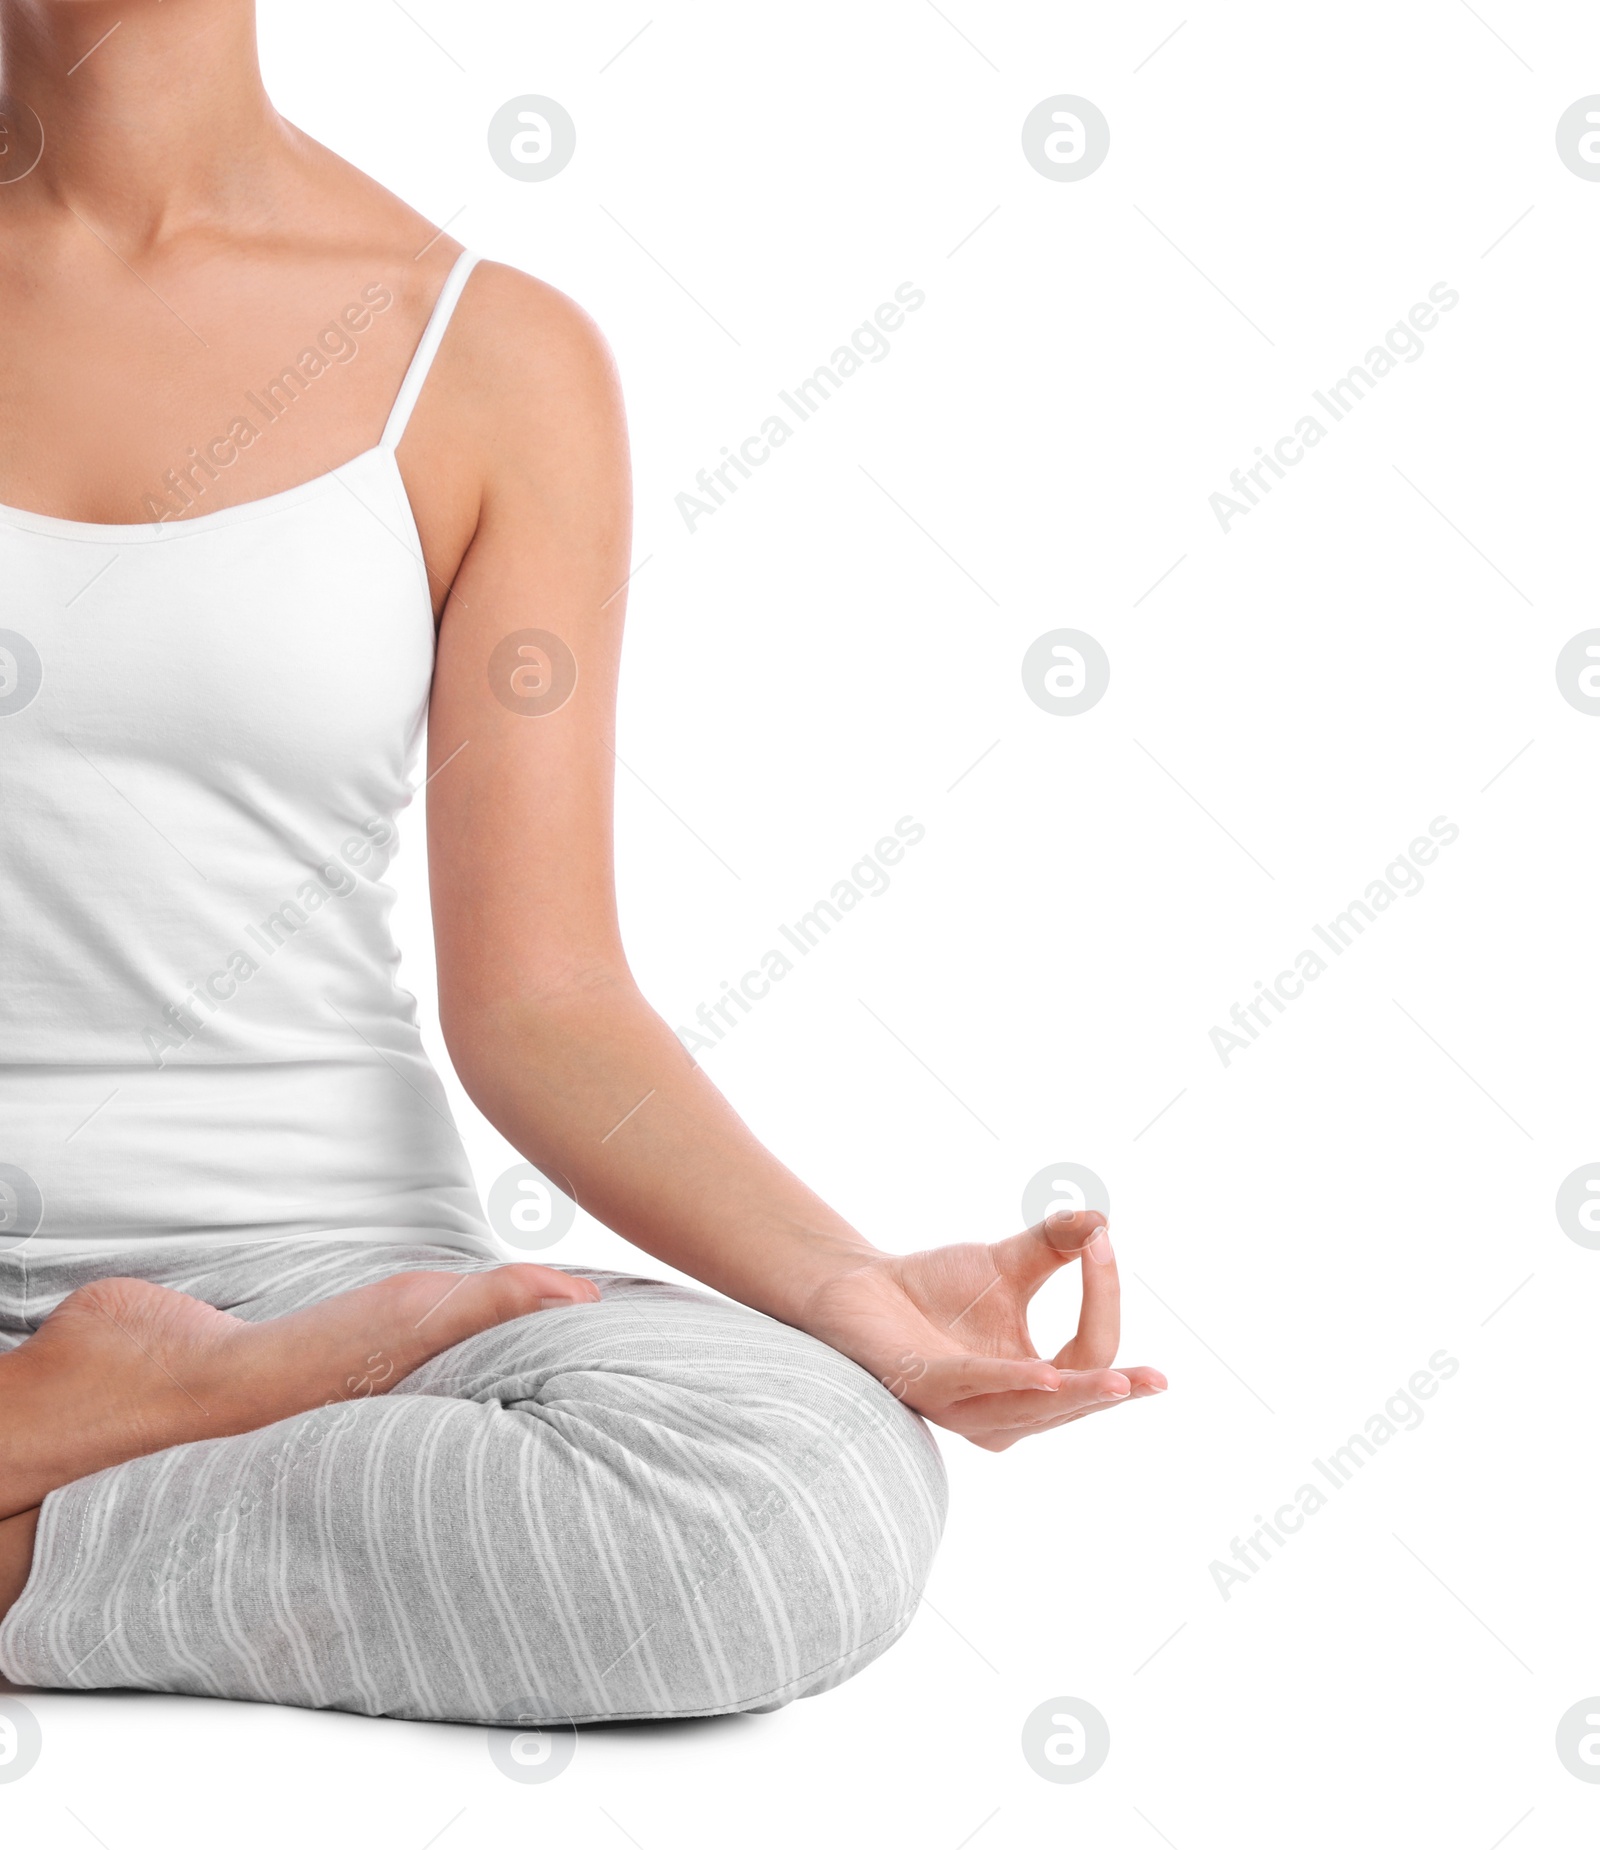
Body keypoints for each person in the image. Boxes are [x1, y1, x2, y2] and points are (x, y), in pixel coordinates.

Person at [0, 0, 1164, 1727]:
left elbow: (544, 995)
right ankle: (70, 1421)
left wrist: (853, 1289)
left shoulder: (486, 356)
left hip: (332, 1297)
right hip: (292, 1389)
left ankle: (95, 1427)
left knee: (792, 1501)